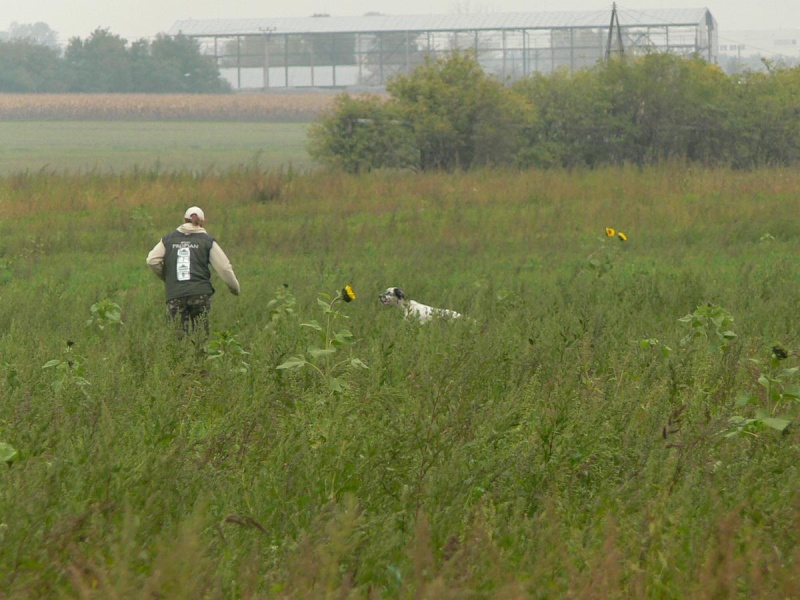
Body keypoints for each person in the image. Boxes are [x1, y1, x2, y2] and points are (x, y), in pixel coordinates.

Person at [146, 206, 240, 334]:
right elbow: (224, 268)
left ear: (184, 220)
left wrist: (168, 278)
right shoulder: (207, 241)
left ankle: (179, 354)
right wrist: (234, 288)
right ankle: (199, 353)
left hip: (175, 294)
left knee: (176, 340)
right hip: (200, 294)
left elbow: (152, 260)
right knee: (200, 337)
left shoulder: (168, 240)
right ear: (202, 222)